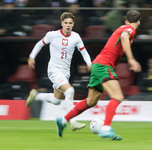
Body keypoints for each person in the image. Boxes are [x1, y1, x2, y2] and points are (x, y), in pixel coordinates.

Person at [55, 10, 142, 140]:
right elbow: (124, 37)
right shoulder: (129, 29)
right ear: (138, 22)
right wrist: (131, 59)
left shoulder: (122, 27)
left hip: (97, 64)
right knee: (118, 96)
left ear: (126, 20)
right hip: (103, 65)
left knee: (91, 101)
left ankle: (63, 120)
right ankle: (106, 129)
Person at [26, 12, 92, 131]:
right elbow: (39, 44)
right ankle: (73, 121)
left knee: (57, 100)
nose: (68, 25)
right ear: (62, 24)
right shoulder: (52, 35)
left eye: (70, 23)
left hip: (65, 72)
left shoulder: (76, 37)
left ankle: (37, 96)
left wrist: (89, 63)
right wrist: (32, 56)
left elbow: (84, 52)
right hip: (54, 70)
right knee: (70, 91)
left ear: (73, 24)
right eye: (66, 23)